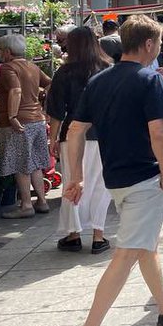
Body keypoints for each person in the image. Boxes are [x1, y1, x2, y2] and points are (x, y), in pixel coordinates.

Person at [64, 15, 163, 326]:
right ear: (150, 44)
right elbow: (159, 132)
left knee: (145, 244)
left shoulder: (99, 80)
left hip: (118, 180)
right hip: (145, 178)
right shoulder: (150, 79)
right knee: (127, 253)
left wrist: (75, 175)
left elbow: (75, 130)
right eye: (158, 44)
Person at [46, 26, 112, 252]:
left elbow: (56, 110)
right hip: (102, 134)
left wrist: (53, 139)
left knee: (72, 183)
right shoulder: (107, 69)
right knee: (100, 185)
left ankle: (73, 234)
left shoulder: (64, 72)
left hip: (71, 133)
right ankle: (98, 236)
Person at [0, 33, 52, 219]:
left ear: (7, 51)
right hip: (37, 119)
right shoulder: (32, 66)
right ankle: (42, 201)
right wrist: (43, 104)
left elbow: (16, 90)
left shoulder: (8, 67)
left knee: (21, 163)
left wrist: (12, 116)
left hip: (19, 122)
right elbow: (50, 84)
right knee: (34, 163)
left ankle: (26, 204)